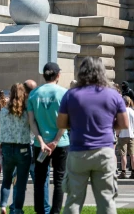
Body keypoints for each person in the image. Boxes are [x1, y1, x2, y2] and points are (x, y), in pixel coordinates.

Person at [59, 57, 128, 214]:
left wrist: (77, 125)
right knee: (106, 201)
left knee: (73, 201)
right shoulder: (113, 95)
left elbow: (61, 123)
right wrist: (109, 126)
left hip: (78, 152)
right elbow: (124, 124)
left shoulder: (71, 95)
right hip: (105, 151)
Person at [28, 62, 69, 214]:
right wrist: (56, 141)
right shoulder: (64, 93)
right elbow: (66, 121)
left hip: (41, 145)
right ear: (58, 75)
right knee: (59, 180)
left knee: (39, 180)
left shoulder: (34, 94)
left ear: (44, 75)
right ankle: (56, 212)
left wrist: (40, 141)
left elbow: (31, 121)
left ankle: (40, 211)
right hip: (61, 143)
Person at [0, 83, 32, 214]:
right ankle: (17, 208)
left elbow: (2, 131)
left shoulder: (4, 110)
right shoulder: (27, 110)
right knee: (21, 183)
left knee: (6, 180)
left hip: (7, 146)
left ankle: (3, 205)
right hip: (23, 147)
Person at [118, 96, 134, 179]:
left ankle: (123, 172)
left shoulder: (122, 112)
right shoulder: (132, 111)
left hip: (122, 135)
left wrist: (117, 134)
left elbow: (119, 125)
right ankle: (133, 172)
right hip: (132, 135)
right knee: (132, 155)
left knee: (123, 155)